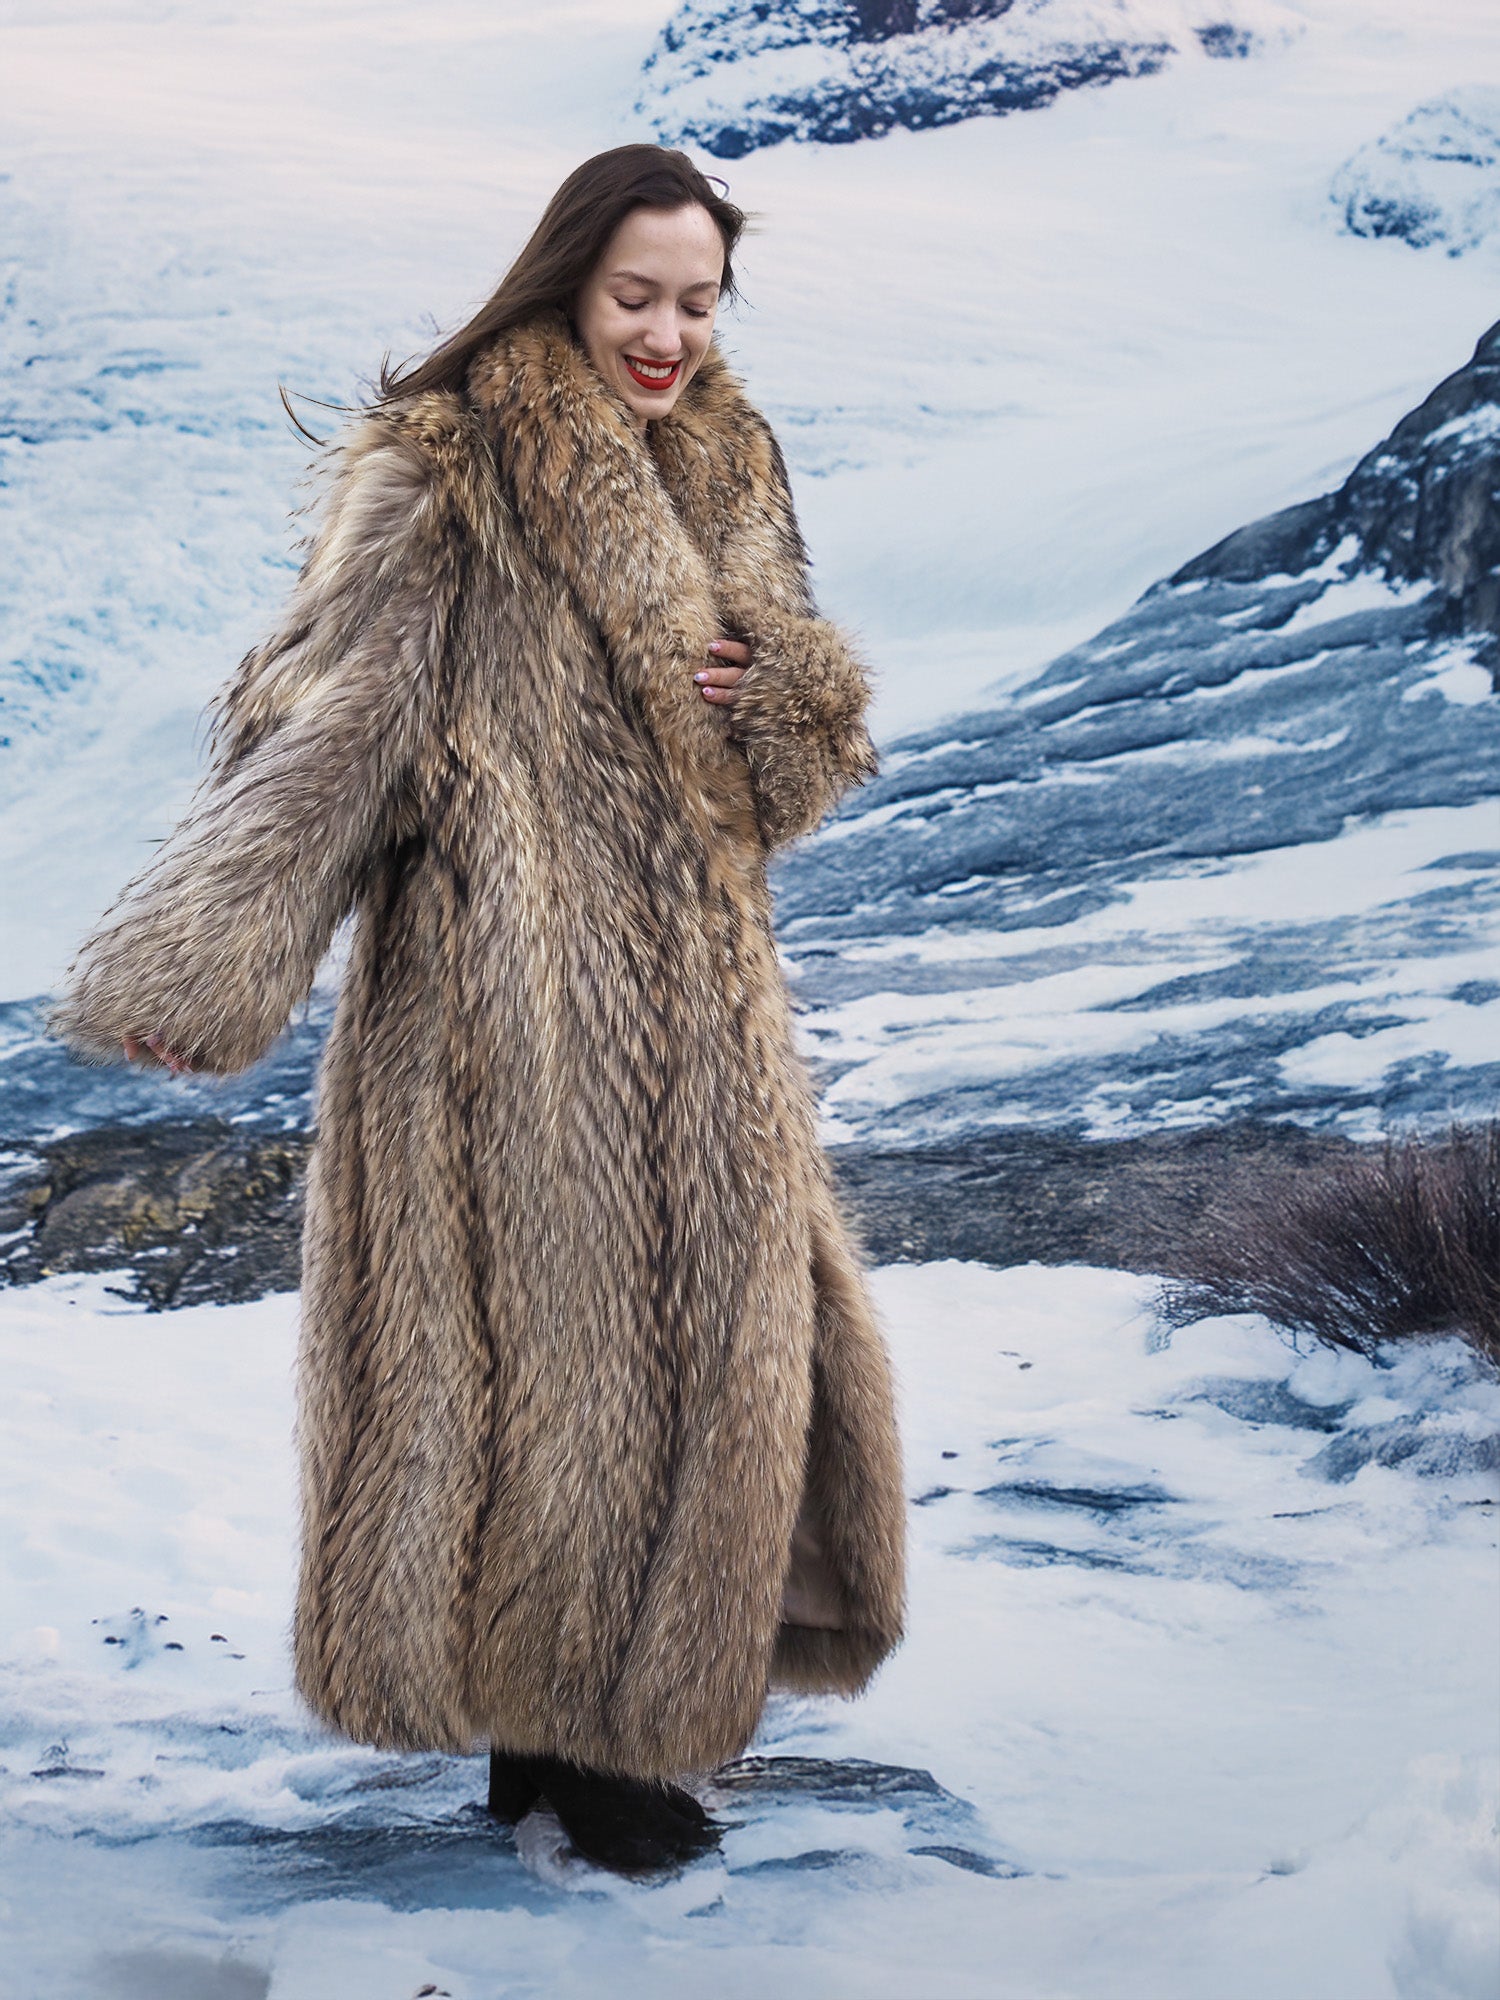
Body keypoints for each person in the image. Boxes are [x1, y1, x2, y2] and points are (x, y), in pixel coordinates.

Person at [52, 144, 907, 1876]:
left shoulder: (736, 460)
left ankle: (577, 1735)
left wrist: (798, 694)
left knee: (702, 1364)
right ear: (565, 281)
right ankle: (598, 1759)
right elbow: (328, 736)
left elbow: (777, 790)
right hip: (500, 1017)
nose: (668, 332)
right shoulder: (444, 474)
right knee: (563, 1368)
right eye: (636, 297)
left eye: (697, 299)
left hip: (708, 1020)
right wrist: (207, 965)